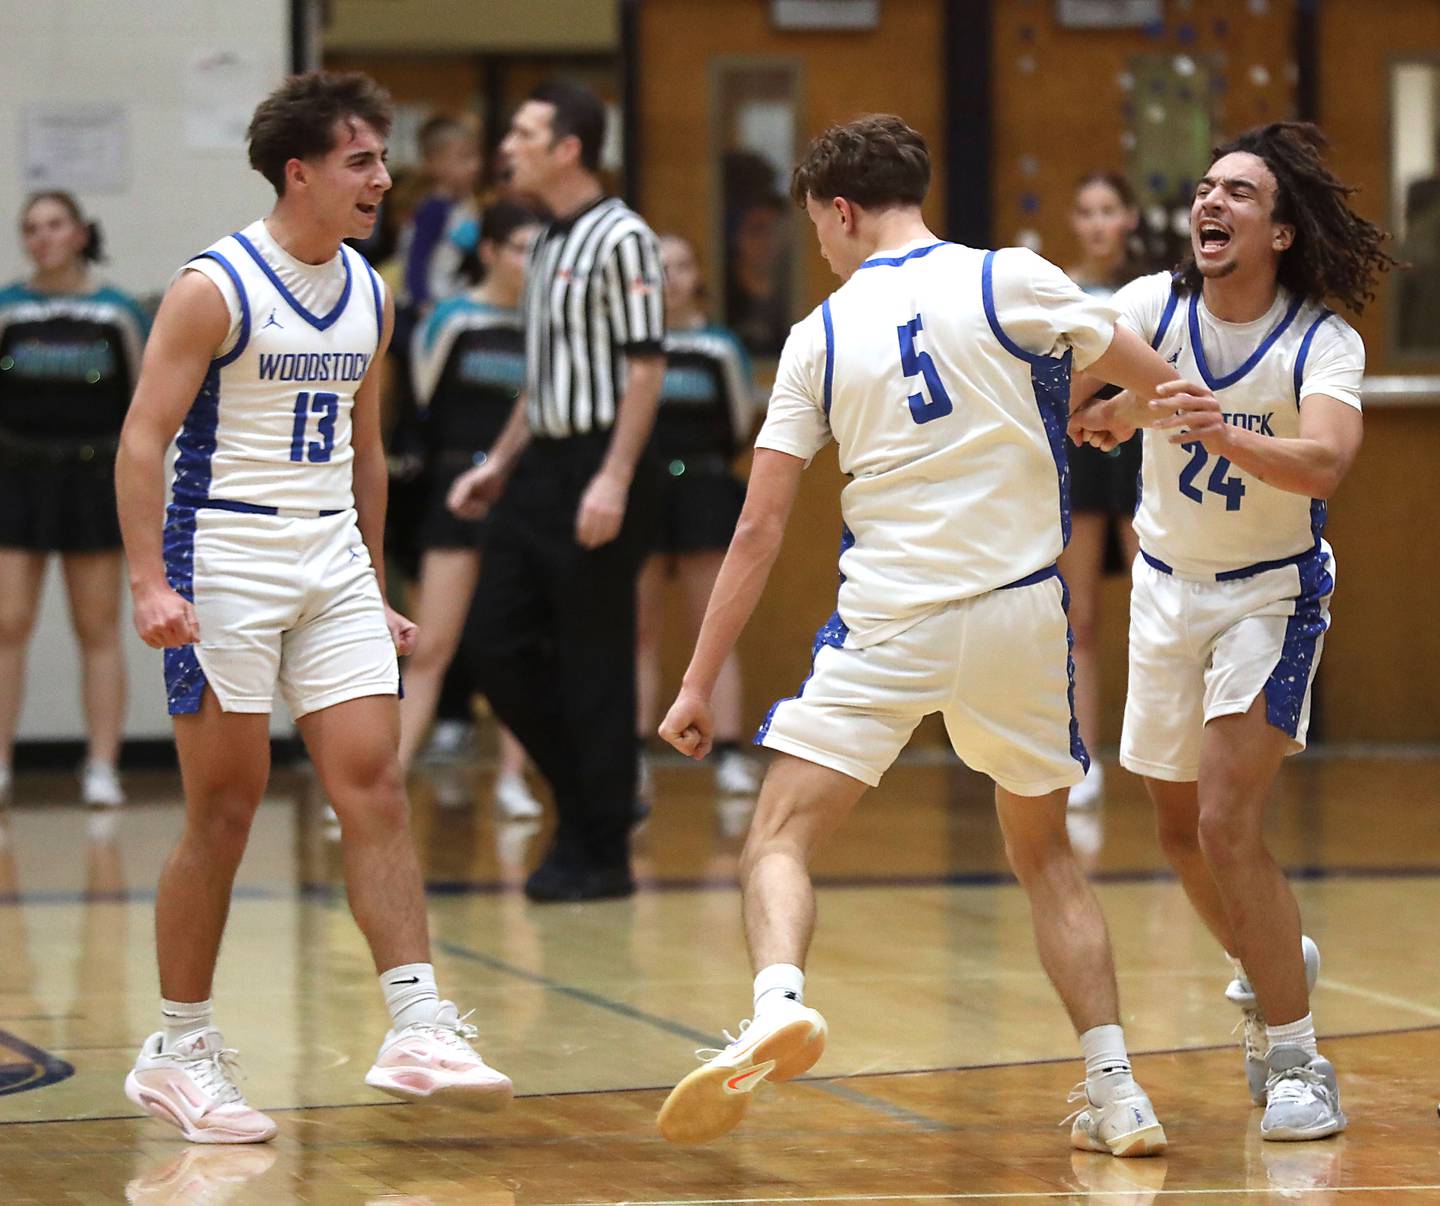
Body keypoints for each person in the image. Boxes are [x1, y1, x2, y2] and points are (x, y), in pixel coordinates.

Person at [654, 114, 1179, 1153]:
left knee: (781, 835)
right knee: (1045, 859)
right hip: (1023, 613)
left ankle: (775, 1003)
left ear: (841, 211)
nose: (823, 246)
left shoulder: (820, 334)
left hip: (890, 620)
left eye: (819, 228)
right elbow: (1154, 374)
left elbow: (757, 530)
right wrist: (1111, 413)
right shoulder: (1011, 279)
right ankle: (1119, 1093)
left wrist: (694, 682)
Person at [114, 70, 512, 1145]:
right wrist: (152, 580)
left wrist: (374, 586)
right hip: (222, 552)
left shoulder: (372, 293)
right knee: (226, 812)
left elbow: (367, 451)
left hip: (330, 554)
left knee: (373, 782)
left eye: (381, 158)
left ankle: (417, 1021)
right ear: (301, 172)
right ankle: (179, 1048)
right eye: (362, 160)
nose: (384, 177)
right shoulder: (214, 286)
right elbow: (143, 437)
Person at [1069, 121, 1394, 1142]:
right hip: (1167, 586)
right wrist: (1107, 411)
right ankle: (1272, 958)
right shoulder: (1149, 309)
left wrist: (1221, 429)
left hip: (1272, 593)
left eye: (1239, 194)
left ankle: (1298, 1058)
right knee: (1174, 833)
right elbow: (1087, 386)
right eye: (1206, 190)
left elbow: (1326, 463)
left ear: (1283, 230)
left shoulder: (1319, 340)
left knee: (1222, 822)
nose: (1211, 204)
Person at [449, 81, 665, 903]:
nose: (510, 145)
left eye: (526, 131)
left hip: (603, 467)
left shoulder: (624, 238)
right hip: (540, 470)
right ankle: (585, 801)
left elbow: (645, 367)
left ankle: (599, 843)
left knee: (593, 660)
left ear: (568, 147)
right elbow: (541, 383)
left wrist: (612, 477)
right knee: (491, 644)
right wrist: (498, 463)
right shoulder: (540, 245)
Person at [0, 193, 148, 808]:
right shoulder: (8, 308)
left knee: (97, 627)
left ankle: (101, 767)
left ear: (81, 232)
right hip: (17, 475)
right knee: (8, 624)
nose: (42, 238)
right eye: (30, 229)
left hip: (92, 479)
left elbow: (143, 403)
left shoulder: (117, 312)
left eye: (54, 225)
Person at [399, 199, 542, 819]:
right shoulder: (451, 320)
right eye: (520, 249)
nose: (532, 263)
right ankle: (389, 775)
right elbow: (422, 400)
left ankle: (515, 778)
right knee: (432, 645)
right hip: (456, 486)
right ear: (490, 252)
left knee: (519, 645)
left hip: (528, 491)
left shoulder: (549, 324)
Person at [636, 234, 759, 800]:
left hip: (706, 488)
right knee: (640, 631)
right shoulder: (631, 348)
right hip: (642, 489)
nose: (672, 278)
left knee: (714, 627)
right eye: (660, 268)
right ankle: (634, 754)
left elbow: (739, 421)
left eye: (682, 265)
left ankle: (728, 752)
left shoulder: (719, 347)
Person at [1060, 172, 1145, 809]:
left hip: (1146, 450)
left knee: (1159, 610)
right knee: (1078, 616)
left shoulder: (1157, 291)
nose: (1097, 223)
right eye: (1086, 210)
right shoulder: (1058, 293)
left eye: (1108, 209)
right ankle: (1083, 756)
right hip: (1080, 454)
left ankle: (1168, 756)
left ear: (1129, 218)